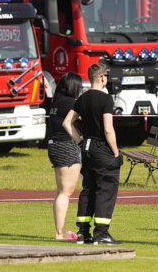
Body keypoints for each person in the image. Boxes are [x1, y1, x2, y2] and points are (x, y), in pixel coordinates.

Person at [63, 63, 122, 245]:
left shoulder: (82, 99)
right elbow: (108, 129)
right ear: (103, 77)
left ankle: (83, 233)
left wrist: (80, 141)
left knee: (88, 190)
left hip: (86, 147)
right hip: (101, 148)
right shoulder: (106, 100)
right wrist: (116, 152)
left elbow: (66, 123)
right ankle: (101, 233)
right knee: (106, 190)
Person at [47, 72, 83, 241]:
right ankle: (60, 233)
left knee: (62, 191)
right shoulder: (72, 103)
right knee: (66, 192)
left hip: (54, 145)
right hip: (66, 145)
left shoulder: (56, 103)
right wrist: (80, 140)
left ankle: (61, 230)